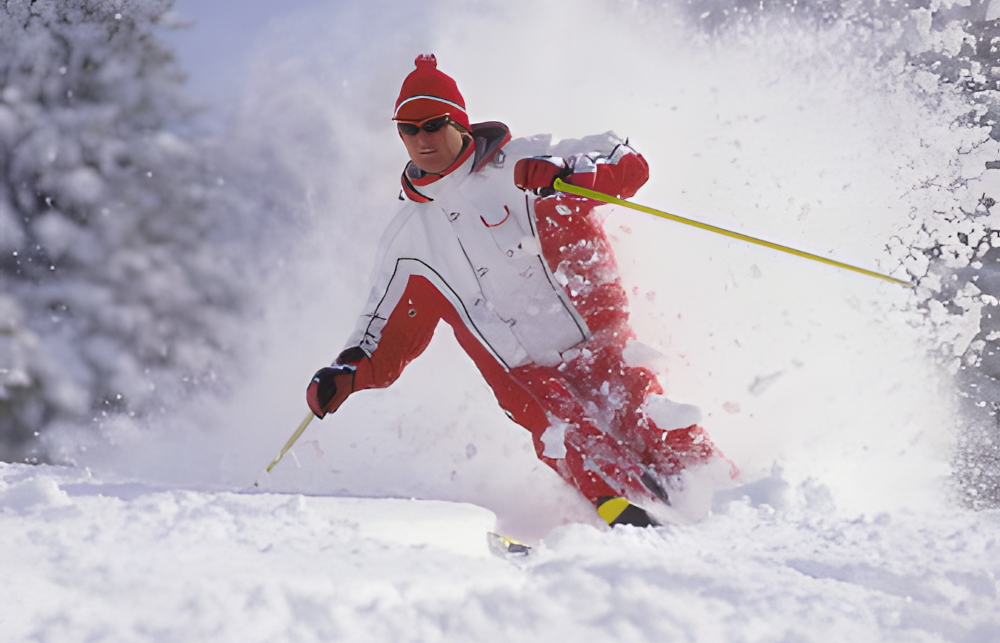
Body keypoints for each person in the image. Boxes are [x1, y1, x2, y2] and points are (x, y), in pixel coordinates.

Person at [307, 54, 731, 527]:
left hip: (597, 338)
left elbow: (627, 162)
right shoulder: (409, 238)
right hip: (521, 368)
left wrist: (571, 178)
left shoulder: (527, 162)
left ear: (460, 122)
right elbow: (379, 331)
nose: (422, 138)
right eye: (408, 129)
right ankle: (632, 519)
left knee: (644, 412)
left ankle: (726, 498)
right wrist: (346, 372)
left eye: (433, 124)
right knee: (566, 432)